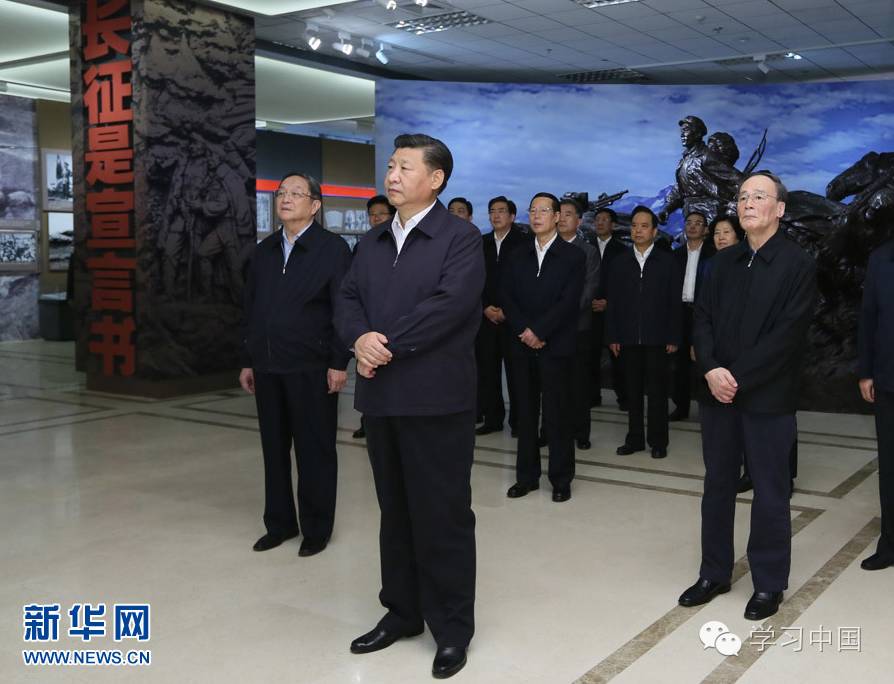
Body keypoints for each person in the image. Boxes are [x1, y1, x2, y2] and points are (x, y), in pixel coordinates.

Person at [336, 134, 484, 679]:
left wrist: (384, 345)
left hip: (436, 399)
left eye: (404, 167)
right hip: (382, 398)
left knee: (442, 515)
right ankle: (401, 611)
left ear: (436, 179)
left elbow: (449, 307)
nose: (392, 176)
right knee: (394, 511)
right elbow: (347, 299)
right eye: (391, 166)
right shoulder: (373, 241)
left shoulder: (460, 238)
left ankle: (452, 628)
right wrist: (358, 339)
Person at [679, 171, 817, 621]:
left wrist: (734, 376)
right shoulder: (723, 262)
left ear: (780, 209)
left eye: (759, 196)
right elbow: (702, 319)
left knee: (770, 491)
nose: (748, 203)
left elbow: (788, 336)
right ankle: (713, 572)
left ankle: (768, 583)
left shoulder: (797, 264)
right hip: (717, 394)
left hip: (768, 397)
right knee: (717, 485)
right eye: (742, 197)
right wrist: (711, 369)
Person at [240, 172, 351, 558]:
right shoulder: (265, 250)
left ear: (315, 205)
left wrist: (339, 361)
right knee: (273, 450)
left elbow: (343, 309)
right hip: (268, 366)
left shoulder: (332, 249)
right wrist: (248, 359)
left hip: (312, 367)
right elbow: (251, 308)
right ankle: (280, 523)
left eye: (295, 193)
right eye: (281, 193)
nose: (285, 199)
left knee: (314, 450)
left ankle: (316, 529)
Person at [500, 192, 585, 502]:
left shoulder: (573, 256)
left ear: (557, 217)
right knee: (524, 413)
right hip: (521, 344)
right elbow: (506, 295)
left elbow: (569, 301)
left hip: (556, 345)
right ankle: (526, 477)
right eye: (533, 210)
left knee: (557, 414)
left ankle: (561, 479)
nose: (536, 215)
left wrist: (540, 331)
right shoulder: (516, 254)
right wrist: (525, 330)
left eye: (543, 210)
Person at [606, 206, 682, 459]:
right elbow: (613, 303)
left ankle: (658, 441)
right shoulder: (620, 262)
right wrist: (613, 335)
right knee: (633, 391)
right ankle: (635, 439)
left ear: (655, 231)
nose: (638, 230)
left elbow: (674, 302)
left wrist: (673, 336)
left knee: (658, 392)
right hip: (627, 338)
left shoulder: (667, 262)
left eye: (644, 226)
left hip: (658, 338)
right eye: (634, 226)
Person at [475, 195, 527, 436]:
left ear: (512, 216)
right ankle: (493, 419)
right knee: (488, 371)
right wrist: (485, 306)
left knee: (517, 373)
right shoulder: (481, 243)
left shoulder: (523, 243)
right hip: (486, 318)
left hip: (513, 318)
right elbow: (473, 279)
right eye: (492, 211)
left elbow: (525, 282)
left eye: (501, 211)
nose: (496, 215)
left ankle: (519, 422)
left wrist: (508, 310)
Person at [857, 237, 894, 571]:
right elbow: (868, 317)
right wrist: (866, 371)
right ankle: (890, 543)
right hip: (888, 377)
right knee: (890, 464)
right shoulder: (881, 258)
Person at [352, 194, 397, 440]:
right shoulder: (364, 245)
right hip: (367, 328)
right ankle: (366, 421)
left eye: (381, 214)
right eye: (372, 214)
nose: (376, 218)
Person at [558, 197, 599, 449]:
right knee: (551, 385)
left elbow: (589, 290)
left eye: (568, 214)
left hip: (577, 327)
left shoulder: (589, 252)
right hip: (549, 331)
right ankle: (549, 429)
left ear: (579, 221)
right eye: (559, 214)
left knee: (579, 384)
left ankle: (580, 432)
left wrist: (559, 315)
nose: (562, 218)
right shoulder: (544, 248)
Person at [670, 211, 715, 421]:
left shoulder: (713, 255)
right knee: (679, 364)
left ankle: (708, 408)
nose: (693, 226)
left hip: (703, 314)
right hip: (680, 313)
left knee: (705, 360)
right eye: (689, 223)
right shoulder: (675, 255)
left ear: (706, 229)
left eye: (698, 223)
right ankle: (681, 407)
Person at [589, 208, 628, 410]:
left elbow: (625, 284)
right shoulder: (586, 247)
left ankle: (624, 398)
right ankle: (592, 396)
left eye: (605, 220)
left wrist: (609, 302)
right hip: (589, 311)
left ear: (613, 225)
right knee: (590, 356)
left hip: (614, 312)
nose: (600, 223)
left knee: (619, 357)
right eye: (597, 219)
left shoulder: (622, 250)